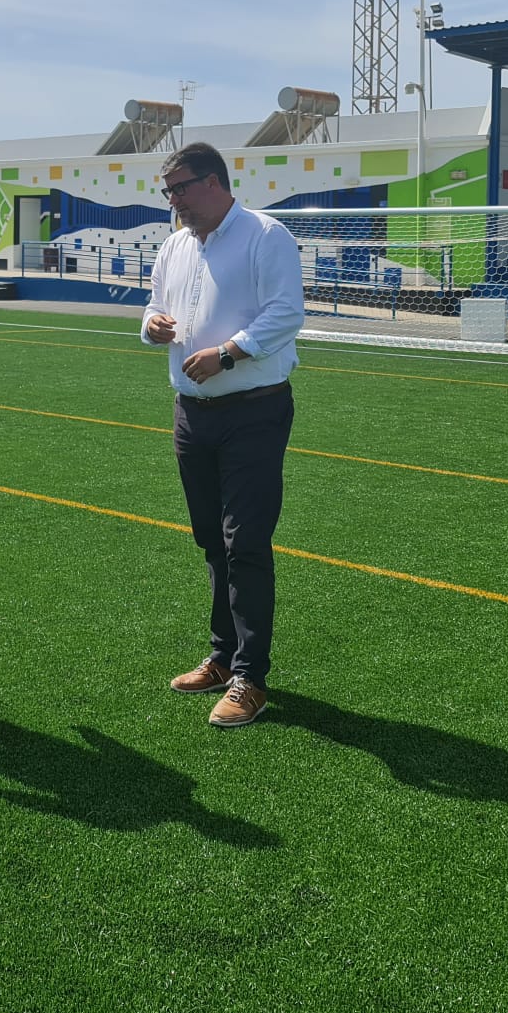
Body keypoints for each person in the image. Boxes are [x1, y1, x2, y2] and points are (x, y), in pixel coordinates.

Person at [141, 142, 304, 727]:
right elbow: (154, 307)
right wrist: (152, 327)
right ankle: (222, 656)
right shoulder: (175, 245)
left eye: (180, 188)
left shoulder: (265, 235)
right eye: (168, 192)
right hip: (192, 413)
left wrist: (230, 353)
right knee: (212, 540)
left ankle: (250, 677)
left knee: (246, 543)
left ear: (214, 182)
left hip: (254, 411)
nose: (173, 201)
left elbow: (288, 313)